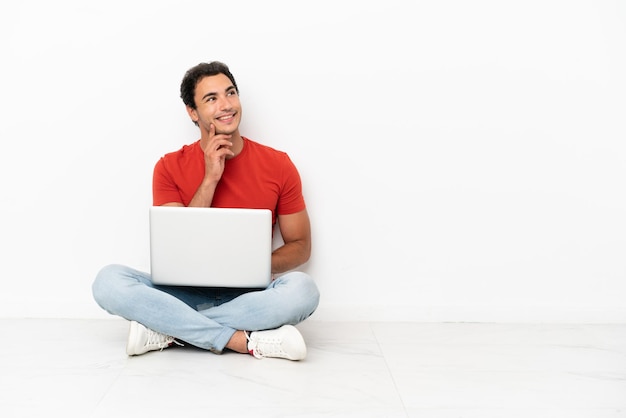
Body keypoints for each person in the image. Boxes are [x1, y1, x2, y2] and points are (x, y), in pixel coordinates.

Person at [92, 61, 320, 361]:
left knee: (303, 290)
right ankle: (241, 340)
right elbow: (177, 247)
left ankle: (170, 331)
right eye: (211, 99)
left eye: (231, 93)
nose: (226, 105)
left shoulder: (278, 164)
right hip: (184, 292)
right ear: (192, 112)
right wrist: (211, 177)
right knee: (108, 282)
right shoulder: (168, 166)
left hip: (250, 294)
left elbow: (300, 247)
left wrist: (248, 265)